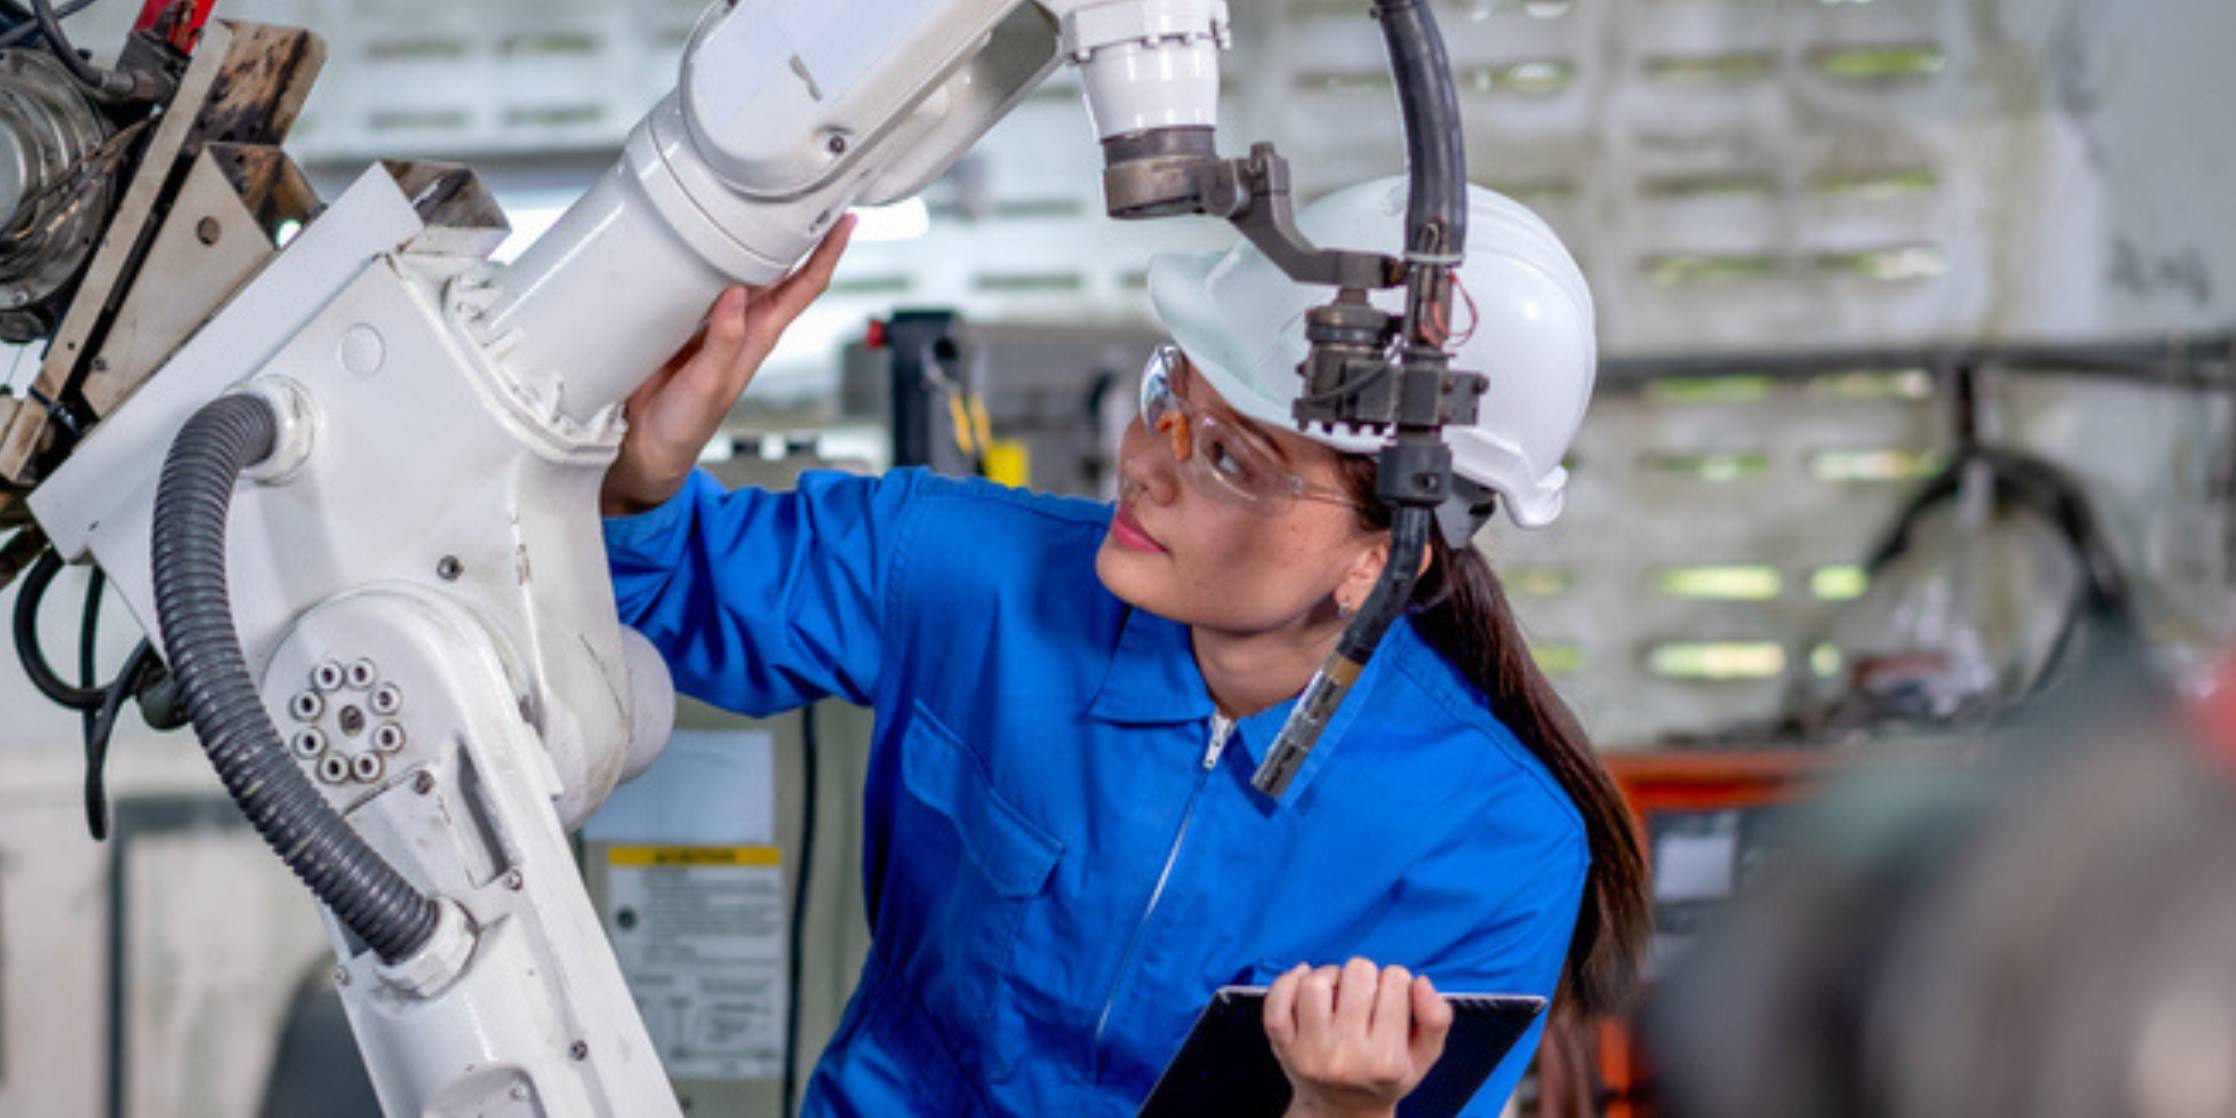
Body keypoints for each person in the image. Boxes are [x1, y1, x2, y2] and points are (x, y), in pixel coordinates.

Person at [600, 176, 1649, 1118]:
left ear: (1379, 562)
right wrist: (639, 469)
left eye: (1233, 457)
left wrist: (1340, 1112)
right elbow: (660, 580)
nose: (1146, 462)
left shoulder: (1494, 845)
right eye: (1168, 396)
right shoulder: (971, 573)